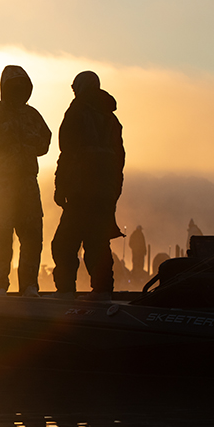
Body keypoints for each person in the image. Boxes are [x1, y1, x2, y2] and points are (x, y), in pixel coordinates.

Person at [0, 64, 51, 297]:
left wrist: (28, 142)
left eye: (21, 86)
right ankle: (0, 287)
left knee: (32, 240)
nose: (17, 90)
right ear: (4, 87)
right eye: (13, 86)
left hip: (27, 186)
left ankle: (29, 287)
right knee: (1, 240)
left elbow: (45, 142)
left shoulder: (32, 115)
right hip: (1, 188)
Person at [51, 70, 125, 300]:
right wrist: (114, 191)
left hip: (80, 191)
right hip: (104, 193)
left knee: (64, 244)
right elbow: (119, 159)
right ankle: (103, 293)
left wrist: (60, 187)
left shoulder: (77, 111)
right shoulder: (112, 120)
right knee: (98, 243)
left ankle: (65, 293)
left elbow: (67, 153)